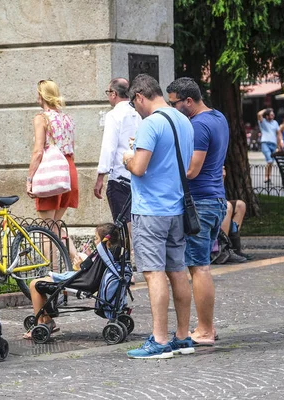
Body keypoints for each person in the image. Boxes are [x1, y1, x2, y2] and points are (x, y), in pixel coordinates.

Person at [123, 74, 194, 359]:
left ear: (140, 95)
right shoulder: (183, 121)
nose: (135, 109)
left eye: (134, 103)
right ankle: (183, 336)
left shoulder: (150, 123)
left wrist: (126, 158)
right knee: (177, 271)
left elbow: (139, 167)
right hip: (176, 208)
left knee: (153, 274)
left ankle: (160, 340)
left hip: (151, 209)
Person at [166, 77, 228, 347]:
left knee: (198, 266)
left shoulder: (199, 125)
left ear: (188, 101)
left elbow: (192, 170)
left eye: (174, 103)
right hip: (215, 200)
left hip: (200, 203)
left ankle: (204, 329)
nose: (172, 108)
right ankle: (206, 326)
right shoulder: (218, 117)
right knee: (200, 264)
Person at [23, 223, 118, 340]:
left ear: (106, 242)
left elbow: (86, 272)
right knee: (39, 282)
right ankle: (46, 319)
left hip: (81, 282)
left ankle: (40, 323)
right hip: (83, 279)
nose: (95, 241)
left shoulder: (103, 254)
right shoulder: (109, 256)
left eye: (97, 238)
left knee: (35, 284)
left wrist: (81, 263)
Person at [26, 79, 79, 262]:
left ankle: (52, 272)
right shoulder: (67, 118)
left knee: (46, 227)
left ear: (41, 95)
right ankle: (78, 258)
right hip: (68, 171)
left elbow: (38, 151)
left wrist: (30, 178)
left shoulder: (41, 118)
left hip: (51, 172)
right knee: (55, 224)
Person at [94, 77, 141, 266]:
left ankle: (126, 264)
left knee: (121, 224)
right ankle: (139, 258)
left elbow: (109, 148)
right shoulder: (138, 113)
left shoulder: (114, 115)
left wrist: (100, 177)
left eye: (108, 93)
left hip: (119, 176)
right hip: (137, 174)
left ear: (113, 94)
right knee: (135, 220)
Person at [257, 108, 282, 184]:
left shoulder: (275, 123)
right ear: (267, 115)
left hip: (273, 144)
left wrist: (280, 143)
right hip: (265, 143)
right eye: (271, 114)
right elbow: (259, 114)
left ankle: (268, 177)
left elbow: (278, 133)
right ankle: (266, 177)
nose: (273, 115)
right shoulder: (263, 122)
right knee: (269, 160)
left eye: (273, 114)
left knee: (271, 162)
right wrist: (267, 109)